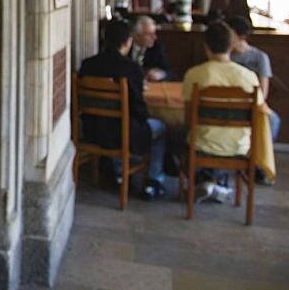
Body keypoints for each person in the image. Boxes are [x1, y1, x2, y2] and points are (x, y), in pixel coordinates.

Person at [80, 20, 168, 200]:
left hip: (90, 130)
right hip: (123, 134)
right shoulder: (131, 69)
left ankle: (117, 170)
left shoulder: (88, 64)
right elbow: (139, 111)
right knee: (161, 128)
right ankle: (153, 180)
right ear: (128, 41)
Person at [182, 22, 263, 201]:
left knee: (173, 134)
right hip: (240, 146)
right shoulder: (249, 77)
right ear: (231, 46)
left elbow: (189, 119)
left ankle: (203, 180)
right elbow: (258, 114)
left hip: (202, 144)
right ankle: (215, 182)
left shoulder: (194, 75)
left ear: (205, 47)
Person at [227, 16, 280, 185]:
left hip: (253, 104)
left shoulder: (259, 57)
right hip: (228, 104)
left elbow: (263, 92)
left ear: (241, 37)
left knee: (273, 120)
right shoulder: (225, 56)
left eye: (230, 34)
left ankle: (258, 164)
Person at [129, 15, 173, 81]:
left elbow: (169, 73)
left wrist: (159, 74)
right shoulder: (126, 45)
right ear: (136, 36)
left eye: (154, 33)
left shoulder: (157, 47)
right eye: (149, 34)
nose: (155, 37)